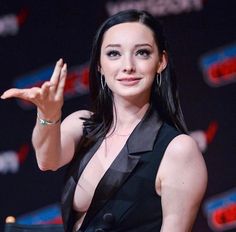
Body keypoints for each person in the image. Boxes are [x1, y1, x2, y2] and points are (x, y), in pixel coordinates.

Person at [1, 9, 207, 232]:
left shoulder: (178, 150)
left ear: (161, 62)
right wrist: (48, 114)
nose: (128, 66)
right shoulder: (84, 125)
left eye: (142, 53)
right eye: (114, 54)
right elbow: (47, 160)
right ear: (99, 64)